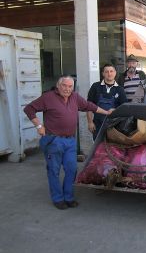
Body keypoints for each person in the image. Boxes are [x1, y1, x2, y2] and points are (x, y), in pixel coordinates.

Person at [23, 76, 112, 210]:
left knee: (71, 169)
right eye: (64, 85)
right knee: (54, 171)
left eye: (70, 86)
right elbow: (29, 109)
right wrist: (38, 126)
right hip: (53, 140)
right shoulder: (48, 97)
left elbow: (89, 106)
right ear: (58, 86)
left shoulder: (75, 97)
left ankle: (69, 197)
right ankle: (58, 199)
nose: (67, 89)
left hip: (70, 141)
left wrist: (106, 112)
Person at [87, 64, 127, 140]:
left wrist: (115, 110)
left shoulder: (120, 89)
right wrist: (90, 122)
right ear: (103, 74)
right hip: (97, 124)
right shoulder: (95, 86)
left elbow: (124, 108)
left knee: (112, 148)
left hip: (113, 126)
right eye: (106, 72)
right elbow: (89, 105)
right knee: (98, 148)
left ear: (115, 73)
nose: (109, 74)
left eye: (111, 71)